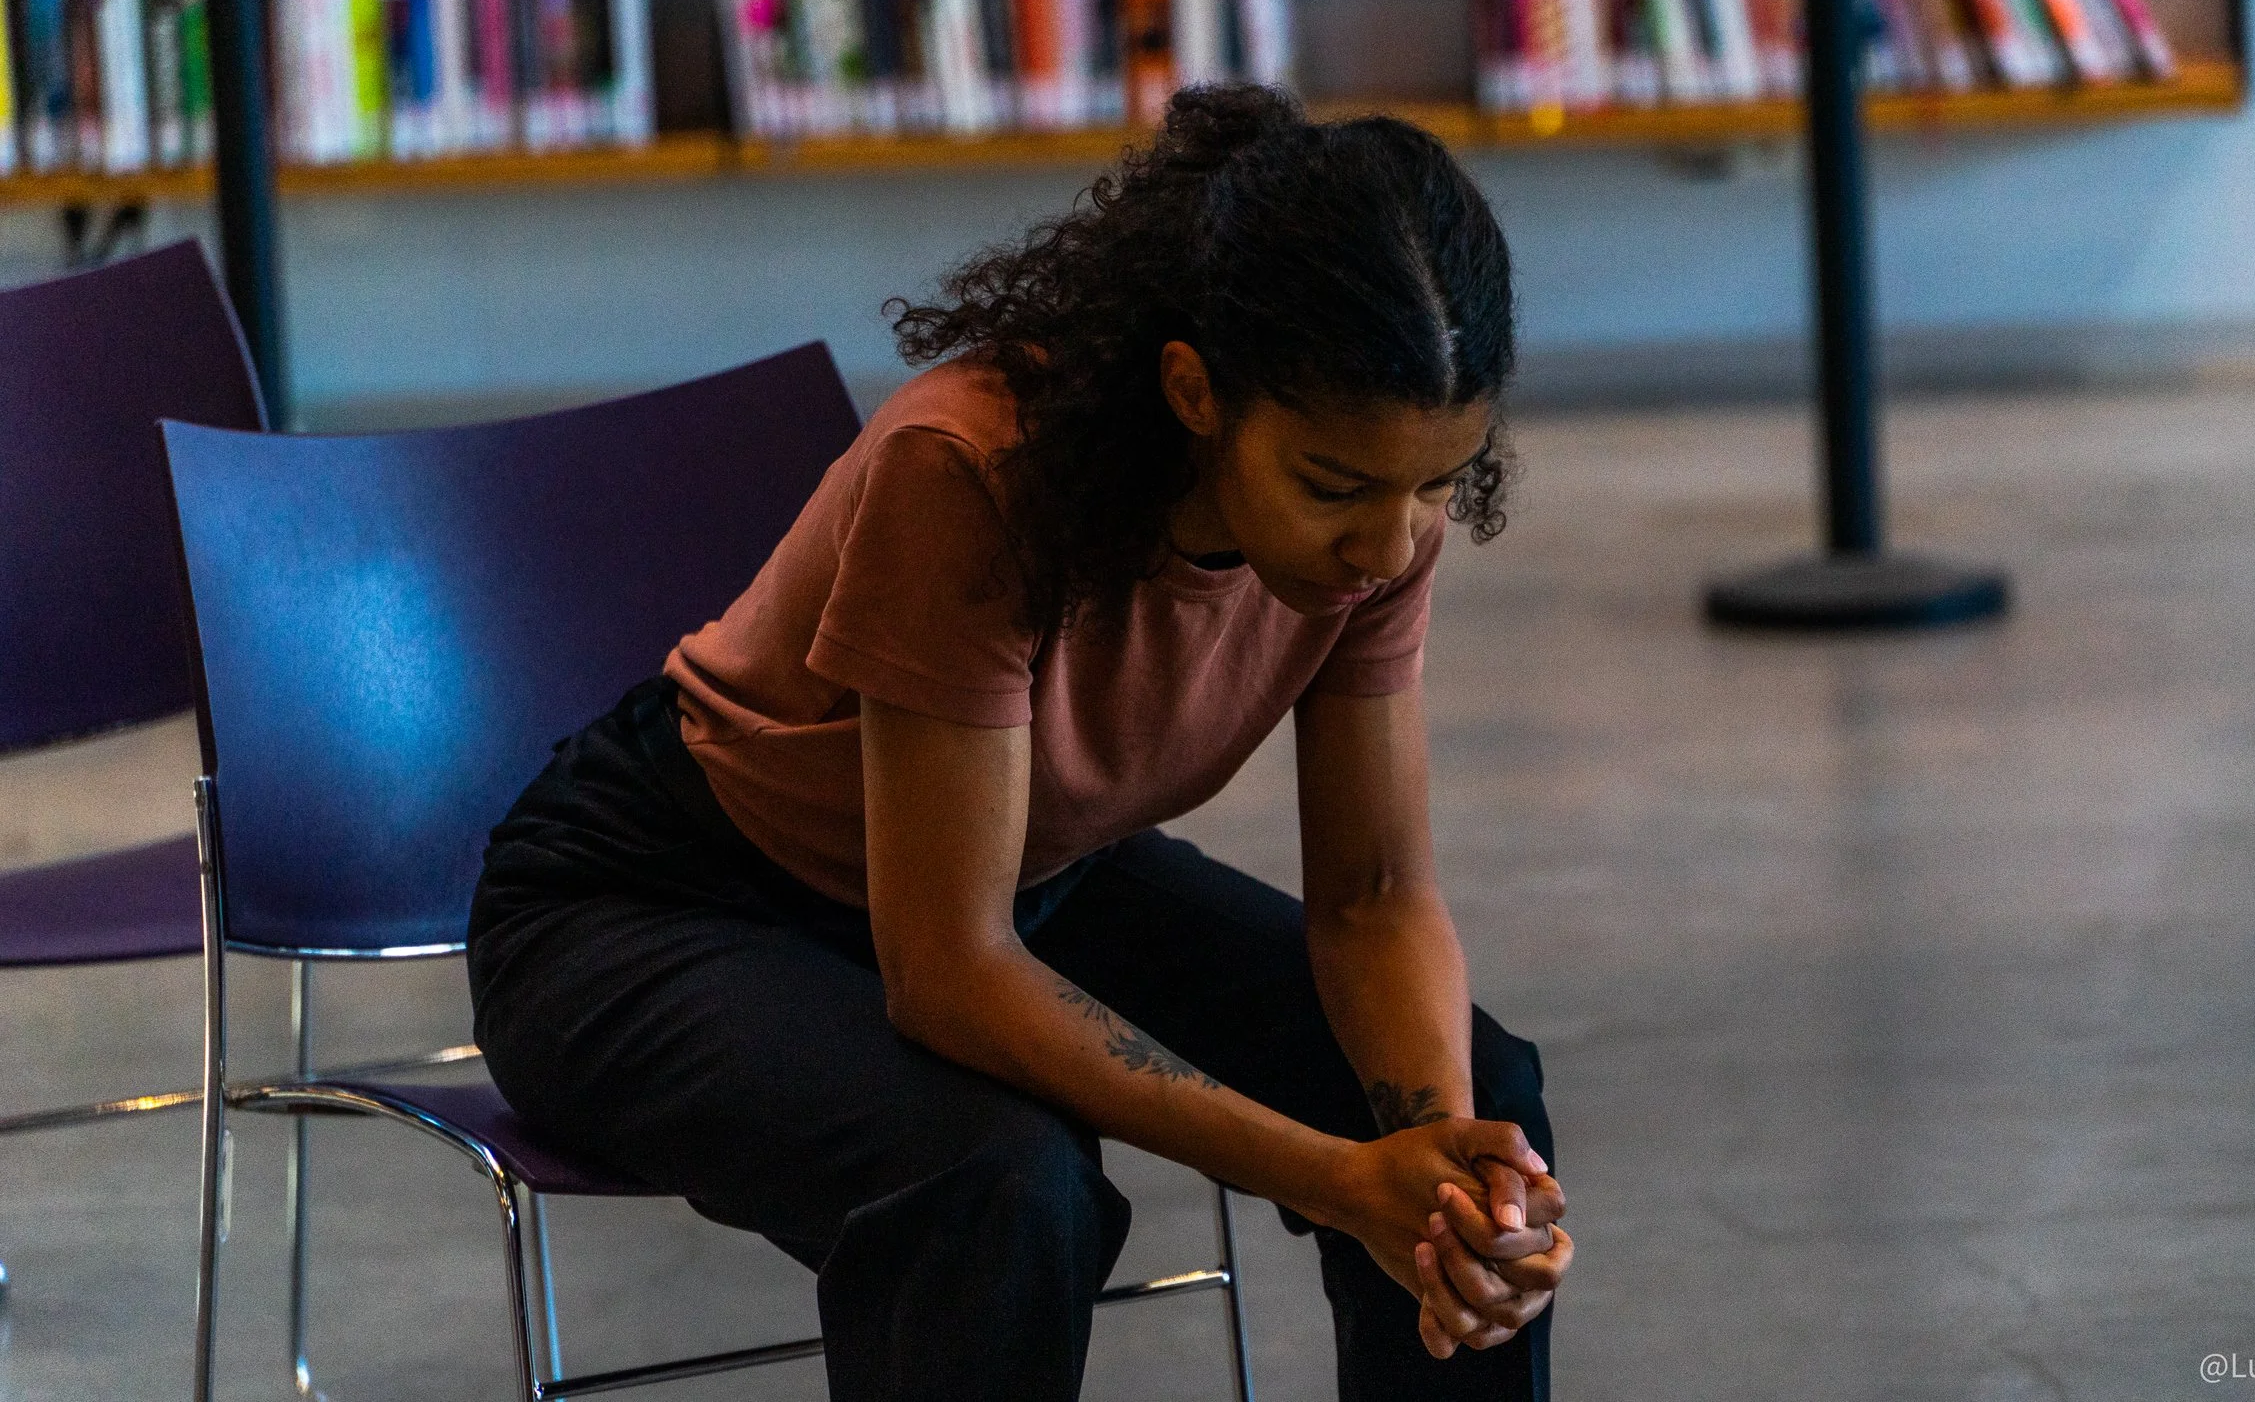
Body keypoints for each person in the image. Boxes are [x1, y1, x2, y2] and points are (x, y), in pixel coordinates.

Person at [466, 84, 1572, 1402]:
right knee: (999, 1176)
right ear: (1195, 391)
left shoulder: (1377, 529)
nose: (1389, 545)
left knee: (1480, 1096)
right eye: (1334, 486)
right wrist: (1341, 1180)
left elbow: (1377, 895)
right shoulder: (975, 474)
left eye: (1436, 486)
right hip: (648, 909)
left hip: (1018, 880)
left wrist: (1435, 1164)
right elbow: (949, 971)